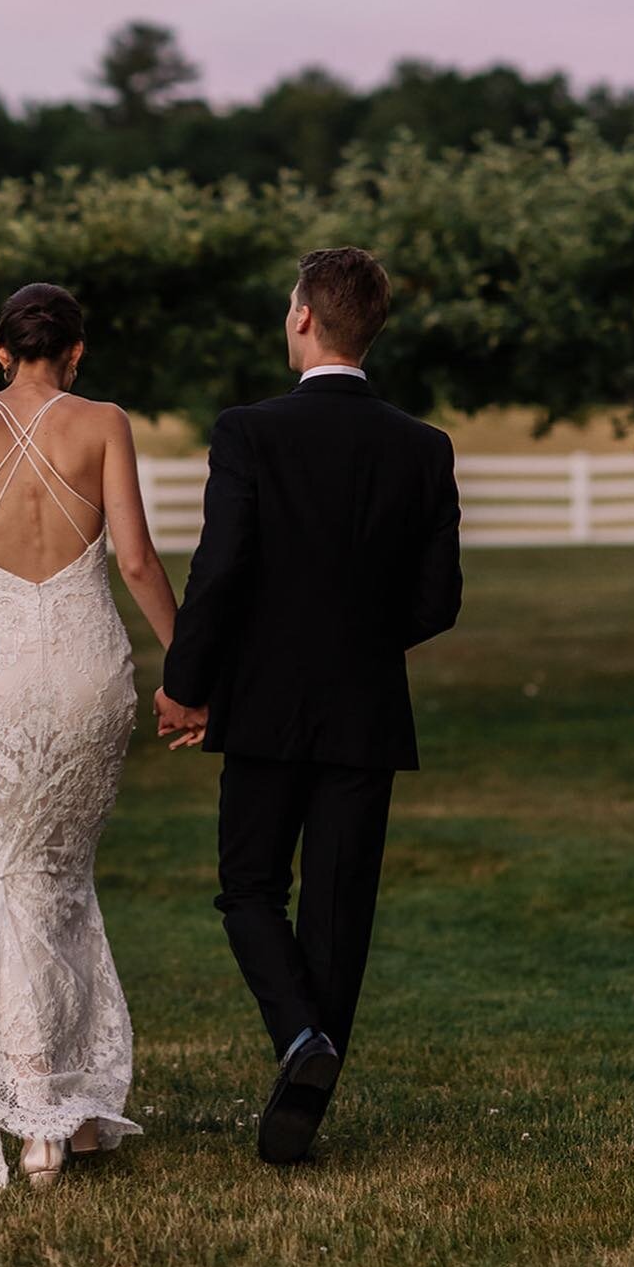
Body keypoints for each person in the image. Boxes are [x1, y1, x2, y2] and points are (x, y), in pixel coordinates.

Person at [155, 246, 462, 1165]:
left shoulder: (248, 432)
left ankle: (299, 1043)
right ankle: (309, 1067)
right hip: (365, 709)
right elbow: (436, 599)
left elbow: (219, 571)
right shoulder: (423, 445)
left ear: (301, 318)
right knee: (339, 907)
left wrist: (185, 682)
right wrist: (357, 650)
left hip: (263, 705)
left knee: (248, 884)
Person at [0, 282, 193, 1189]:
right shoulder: (102, 422)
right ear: (77, 351)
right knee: (53, 880)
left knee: (12, 881)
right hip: (89, 672)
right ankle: (66, 1108)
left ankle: (43, 1117)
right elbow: (134, 559)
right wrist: (192, 669)